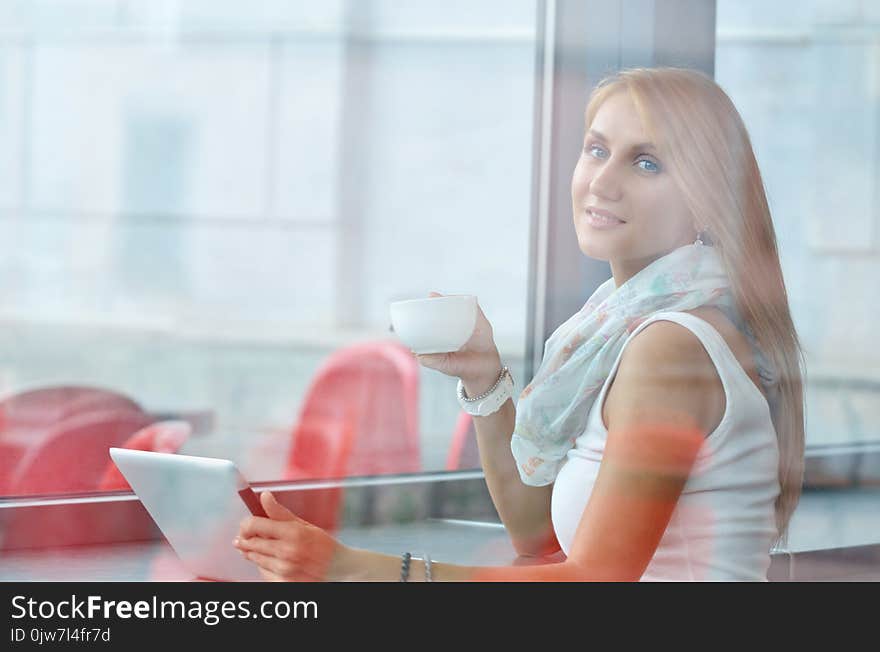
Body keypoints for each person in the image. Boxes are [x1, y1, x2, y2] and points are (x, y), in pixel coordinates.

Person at [233, 67, 806, 581]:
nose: (603, 181)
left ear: (706, 199)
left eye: (646, 161)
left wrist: (356, 569)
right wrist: (485, 381)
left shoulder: (671, 347)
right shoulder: (618, 328)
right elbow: (538, 534)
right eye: (597, 150)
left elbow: (594, 584)